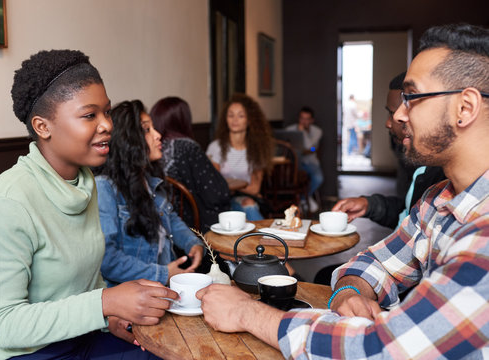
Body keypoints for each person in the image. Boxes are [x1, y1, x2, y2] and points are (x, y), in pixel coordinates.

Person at [197, 23, 489, 359]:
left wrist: (246, 313)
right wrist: (351, 291)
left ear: (465, 108)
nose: (398, 114)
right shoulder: (437, 201)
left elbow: (378, 350)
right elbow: (373, 261)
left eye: (412, 97)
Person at [0, 50, 178, 360]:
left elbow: (85, 281)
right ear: (43, 126)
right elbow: (0, 325)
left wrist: (109, 318)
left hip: (77, 338)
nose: (107, 125)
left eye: (106, 112)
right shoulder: (10, 202)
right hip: (20, 353)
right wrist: (105, 303)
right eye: (90, 115)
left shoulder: (83, 181)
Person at [93, 100, 204, 287]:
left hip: (163, 285)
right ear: (128, 140)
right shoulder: (105, 188)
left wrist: (192, 243)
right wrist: (162, 273)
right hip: (132, 295)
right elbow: (106, 259)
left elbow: (170, 219)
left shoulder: (148, 181)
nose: (158, 135)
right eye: (147, 129)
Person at [333, 72, 446, 229]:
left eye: (393, 112)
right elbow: (410, 213)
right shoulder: (424, 171)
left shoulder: (441, 178)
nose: (390, 122)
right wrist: (369, 205)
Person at [150, 96, 231, 233]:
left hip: (159, 219)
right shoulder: (188, 147)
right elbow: (217, 193)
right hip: (190, 223)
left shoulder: (151, 147)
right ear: (182, 120)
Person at [206, 93, 274, 221]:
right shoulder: (215, 147)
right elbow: (214, 185)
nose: (234, 119)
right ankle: (268, 237)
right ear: (225, 119)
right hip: (220, 203)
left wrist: (232, 189)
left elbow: (255, 188)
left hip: (245, 200)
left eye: (240, 115)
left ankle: (265, 238)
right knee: (247, 206)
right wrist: (241, 188)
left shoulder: (257, 150)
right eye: (230, 115)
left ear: (249, 120)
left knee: (249, 205)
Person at [284, 106, 323, 213]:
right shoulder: (290, 130)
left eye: (307, 119)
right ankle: (306, 198)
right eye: (302, 118)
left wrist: (302, 133)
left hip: (311, 162)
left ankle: (302, 199)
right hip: (295, 163)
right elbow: (287, 149)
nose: (304, 121)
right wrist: (305, 150)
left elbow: (312, 147)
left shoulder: (317, 131)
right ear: (298, 118)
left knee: (318, 178)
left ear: (312, 120)